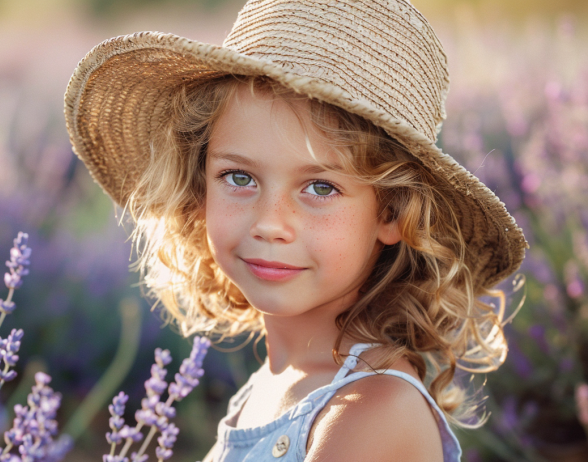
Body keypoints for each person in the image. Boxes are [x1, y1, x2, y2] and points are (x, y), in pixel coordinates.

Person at [64, 0, 528, 460]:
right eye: (239, 178)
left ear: (392, 214)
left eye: (320, 187)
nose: (269, 223)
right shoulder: (272, 385)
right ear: (199, 186)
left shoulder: (370, 414)